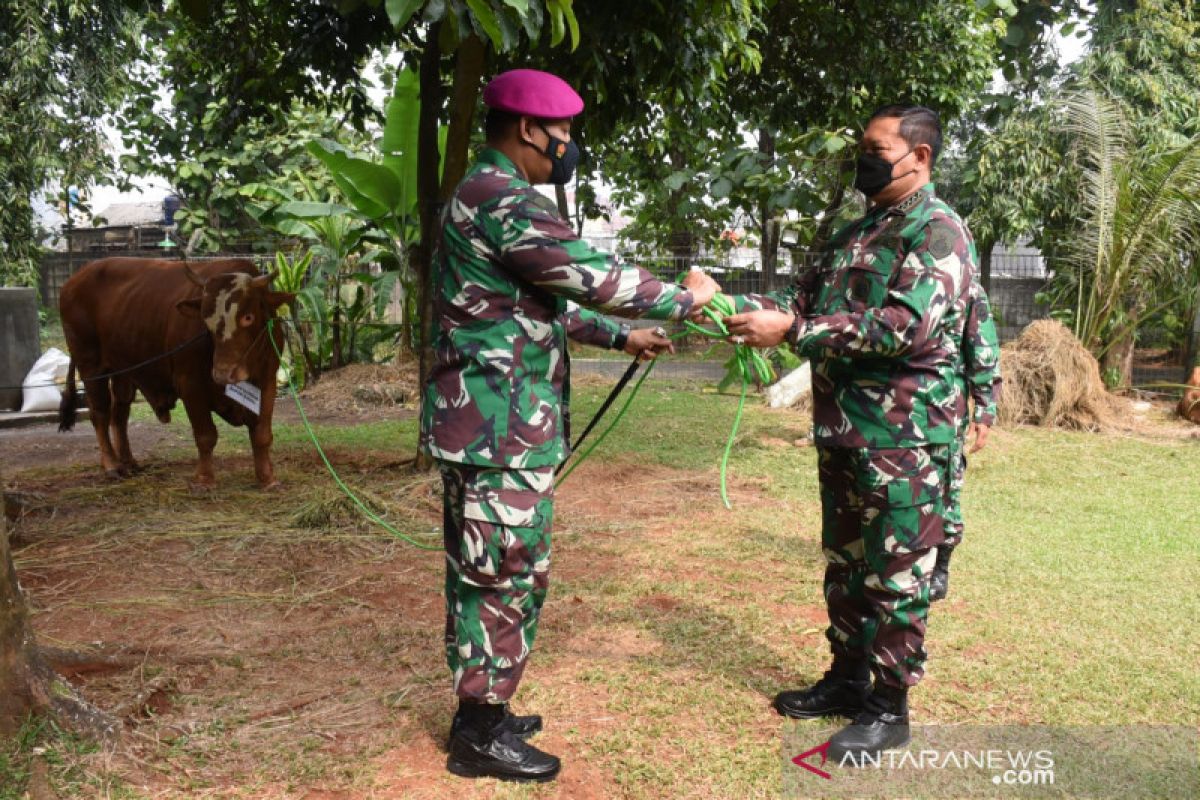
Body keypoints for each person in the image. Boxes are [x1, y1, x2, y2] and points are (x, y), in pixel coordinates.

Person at [420, 68, 718, 783]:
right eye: (564, 135)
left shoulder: (482, 196)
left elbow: (544, 299)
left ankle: (481, 710)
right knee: (505, 573)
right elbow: (593, 275)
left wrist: (625, 339)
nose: (568, 147)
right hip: (498, 432)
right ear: (530, 130)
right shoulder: (504, 198)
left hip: (489, 426)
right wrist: (687, 296)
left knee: (486, 568)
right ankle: (480, 733)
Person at [722, 104, 977, 762]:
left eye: (876, 146)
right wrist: (730, 303)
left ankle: (889, 709)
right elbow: (801, 302)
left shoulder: (939, 231)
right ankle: (846, 678)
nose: (863, 156)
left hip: (907, 437)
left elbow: (905, 328)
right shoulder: (853, 232)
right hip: (844, 432)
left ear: (918, 157)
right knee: (847, 567)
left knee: (898, 574)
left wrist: (795, 332)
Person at [931, 281, 1001, 602]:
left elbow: (983, 346)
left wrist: (985, 408)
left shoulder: (965, 284)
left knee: (947, 482)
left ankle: (940, 566)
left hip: (945, 409)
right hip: (893, 410)